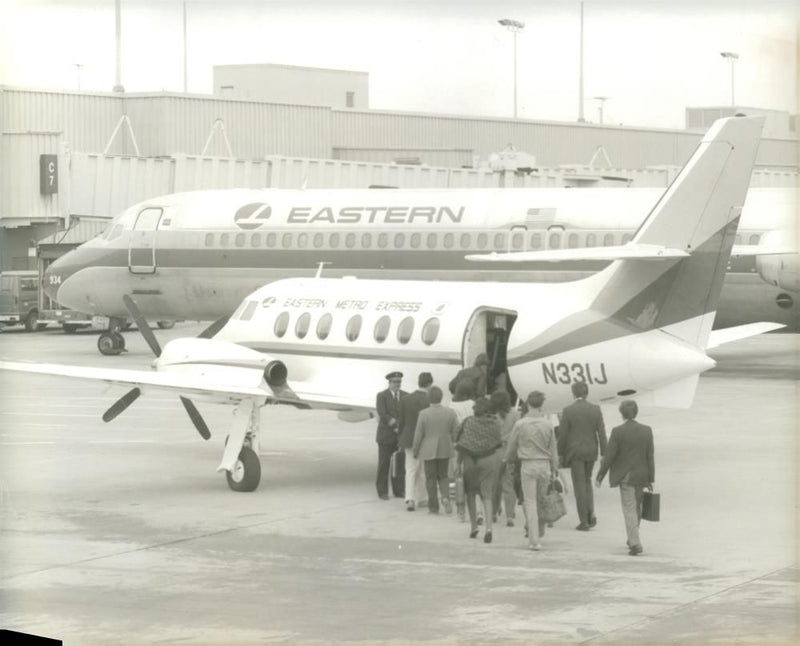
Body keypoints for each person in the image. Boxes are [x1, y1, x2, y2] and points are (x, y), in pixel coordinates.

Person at [595, 400, 655, 556]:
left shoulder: (617, 431)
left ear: (621, 414)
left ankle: (635, 543)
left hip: (626, 476)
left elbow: (609, 456)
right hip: (641, 476)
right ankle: (632, 536)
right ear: (636, 412)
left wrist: (600, 476)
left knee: (629, 509)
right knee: (636, 508)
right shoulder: (646, 430)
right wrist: (651, 478)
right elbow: (650, 457)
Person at [505, 391, 559, 551]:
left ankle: (534, 539)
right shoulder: (548, 424)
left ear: (528, 404)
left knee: (530, 502)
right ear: (541, 405)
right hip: (544, 465)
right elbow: (553, 449)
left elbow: (512, 445)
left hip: (527, 464)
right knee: (541, 500)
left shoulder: (521, 424)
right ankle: (540, 531)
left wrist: (507, 459)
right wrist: (555, 467)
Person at [558, 381, 607, 530]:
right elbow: (602, 433)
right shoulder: (595, 409)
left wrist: (560, 453)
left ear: (573, 393)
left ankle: (584, 520)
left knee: (579, 485)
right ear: (587, 393)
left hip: (575, 452)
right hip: (591, 451)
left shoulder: (568, 410)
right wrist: (604, 452)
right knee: (587, 481)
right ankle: (591, 513)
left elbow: (563, 435)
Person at [455, 397, 503, 543]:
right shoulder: (495, 424)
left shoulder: (467, 422)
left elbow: (460, 442)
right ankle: (489, 529)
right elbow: (497, 443)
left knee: (470, 493)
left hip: (470, 460)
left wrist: (458, 463)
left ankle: (474, 527)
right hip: (488, 460)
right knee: (487, 495)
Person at [412, 386, 458, 514]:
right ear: (441, 397)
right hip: (445, 447)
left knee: (430, 478)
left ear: (428, 398)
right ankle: (445, 497)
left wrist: (415, 450)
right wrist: (452, 440)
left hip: (428, 449)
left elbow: (418, 434)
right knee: (443, 476)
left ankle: (433, 506)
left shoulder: (423, 414)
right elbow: (456, 432)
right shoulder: (450, 412)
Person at [398, 372, 433, 511]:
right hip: (425, 438)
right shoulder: (430, 400)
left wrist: (400, 438)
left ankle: (410, 499)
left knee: (411, 469)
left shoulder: (405, 399)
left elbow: (401, 421)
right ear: (429, 383)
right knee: (423, 470)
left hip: (408, 438)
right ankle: (423, 498)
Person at [490, 390, 520, 527]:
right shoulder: (515, 414)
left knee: (494, 484)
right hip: (510, 450)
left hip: (495, 451)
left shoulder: (492, 416)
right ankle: (510, 515)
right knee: (509, 484)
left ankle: (493, 512)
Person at [448, 380, 477, 521]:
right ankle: (477, 512)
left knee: (458, 477)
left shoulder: (452, 406)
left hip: (458, 443)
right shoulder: (473, 404)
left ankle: (461, 512)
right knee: (473, 478)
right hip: (473, 443)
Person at [375, 371, 406, 500]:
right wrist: (396, 426)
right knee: (384, 464)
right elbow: (383, 414)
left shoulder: (405, 395)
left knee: (399, 464)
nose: (397, 384)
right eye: (394, 382)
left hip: (399, 436)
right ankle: (382, 491)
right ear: (389, 383)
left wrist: (401, 428)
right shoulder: (382, 396)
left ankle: (399, 491)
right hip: (386, 435)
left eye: (399, 382)